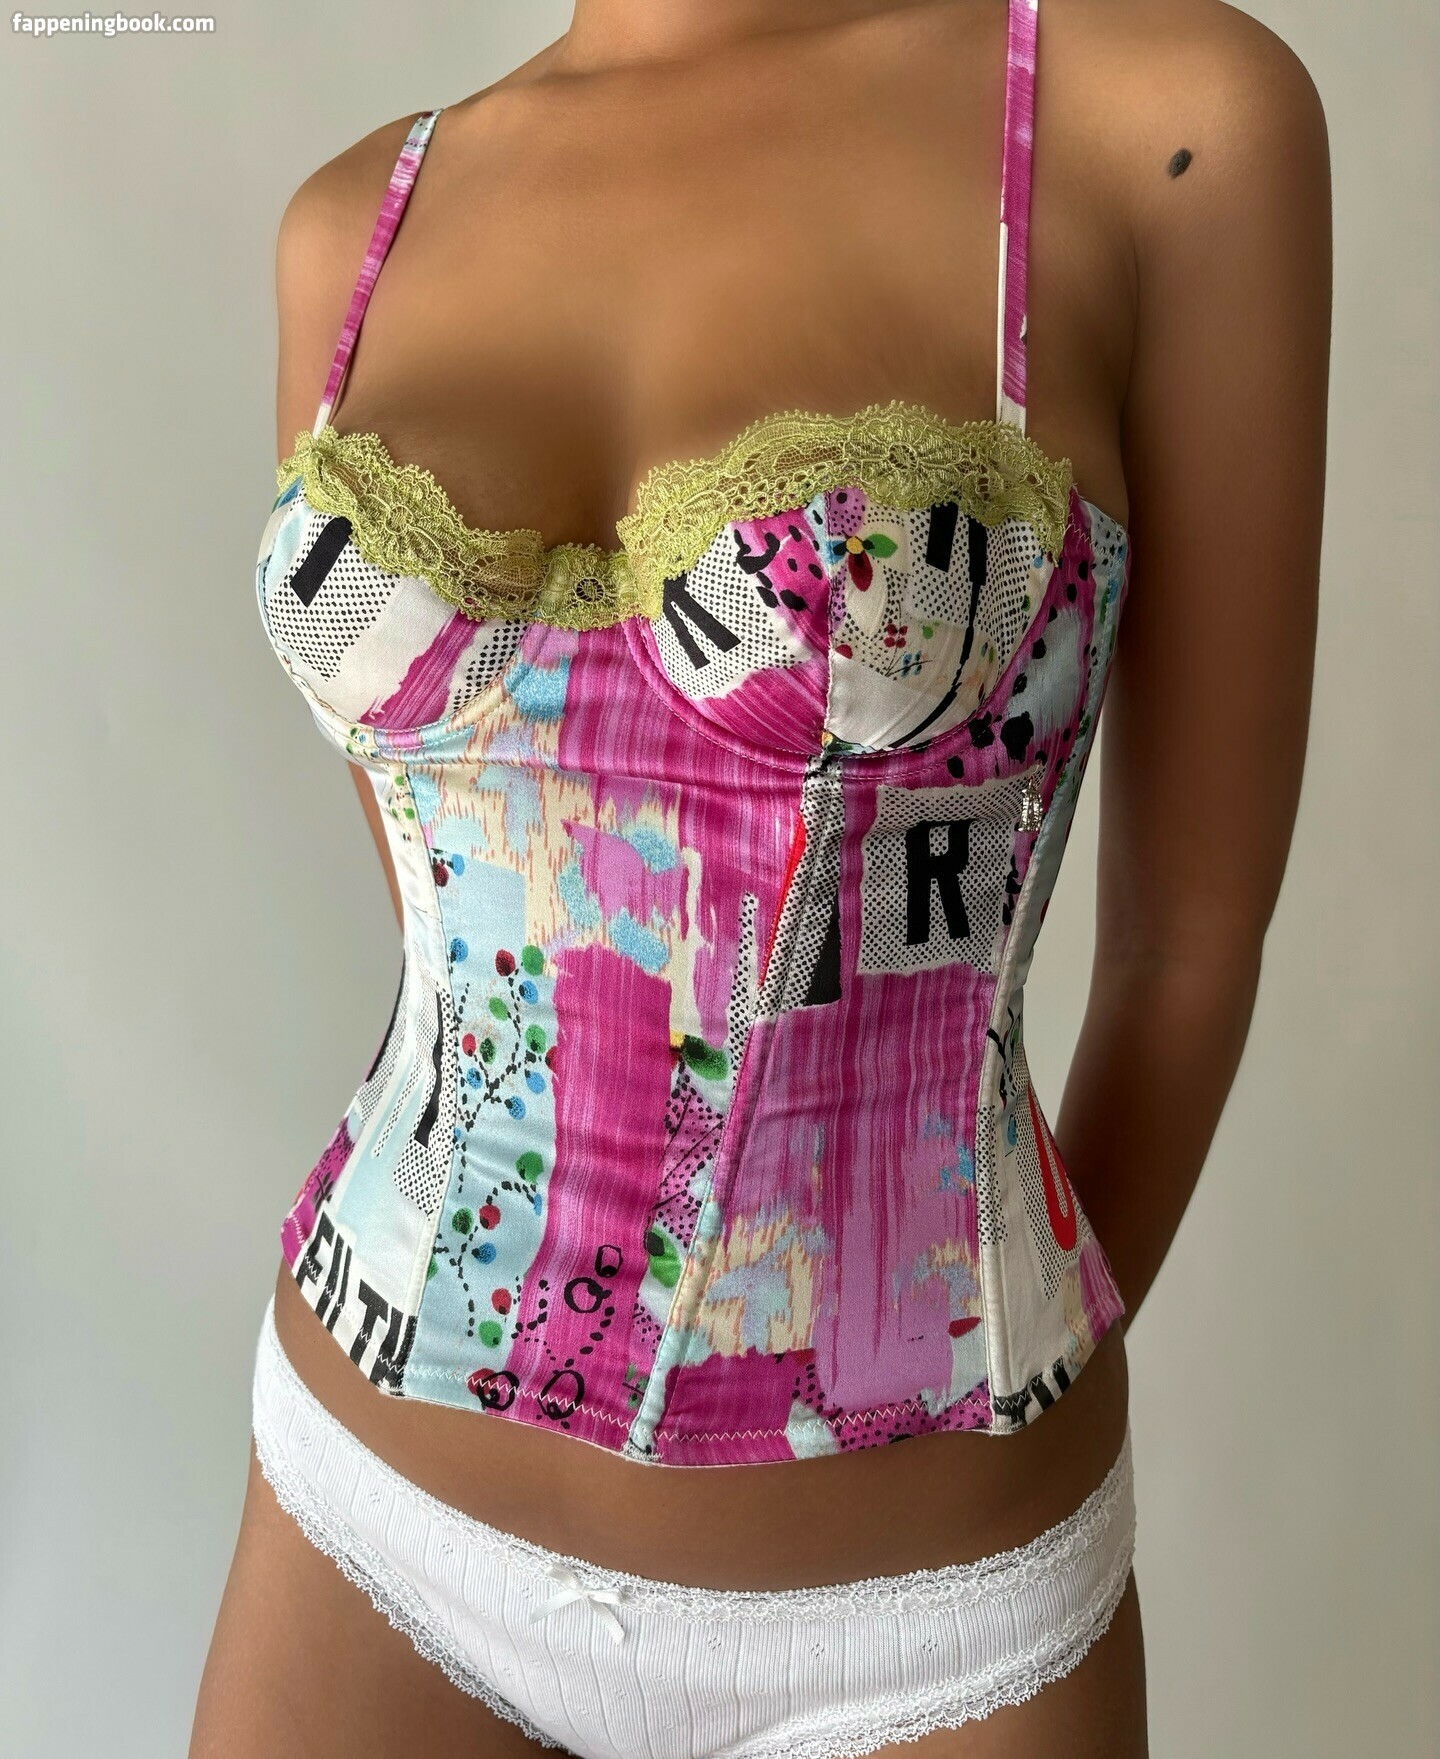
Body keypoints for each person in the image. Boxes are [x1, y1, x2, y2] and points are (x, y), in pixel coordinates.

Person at [191, 2, 1329, 1754]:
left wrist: (974, 1356)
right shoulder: (356, 222)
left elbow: (1190, 945)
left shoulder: (1160, 126)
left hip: (925, 1627)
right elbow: (465, 930)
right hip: (374, 1513)